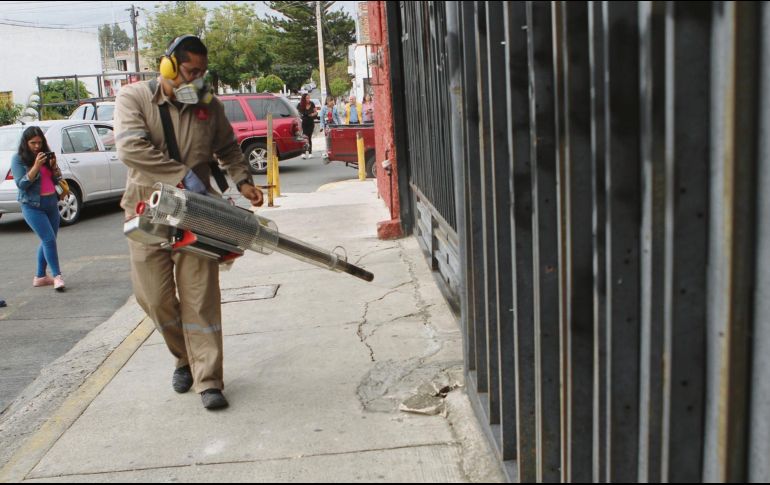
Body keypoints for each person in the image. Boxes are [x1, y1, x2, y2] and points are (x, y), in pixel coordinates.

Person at [114, 34, 264, 410]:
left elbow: (228, 145)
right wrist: (182, 175)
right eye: (189, 70)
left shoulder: (207, 102)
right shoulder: (133, 98)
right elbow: (131, 148)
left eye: (201, 72)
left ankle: (208, 379)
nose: (195, 79)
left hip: (197, 212)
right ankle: (184, 357)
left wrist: (243, 179)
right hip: (147, 211)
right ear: (168, 65)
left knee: (200, 298)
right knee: (155, 298)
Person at [11, 126, 66, 292]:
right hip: (32, 206)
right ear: (25, 143)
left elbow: (56, 179)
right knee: (49, 240)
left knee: (48, 240)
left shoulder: (45, 156)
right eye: (33, 143)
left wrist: (54, 167)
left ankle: (40, 277)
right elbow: (22, 184)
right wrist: (35, 166)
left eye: (39, 143)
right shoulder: (19, 159)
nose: (36, 146)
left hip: (51, 203)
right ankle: (57, 276)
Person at [319, 97, 341, 161]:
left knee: (335, 138)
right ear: (328, 102)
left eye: (333, 101)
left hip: (334, 125)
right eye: (332, 101)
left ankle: (335, 151)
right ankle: (328, 152)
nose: (333, 102)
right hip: (327, 125)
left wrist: (340, 125)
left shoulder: (335, 108)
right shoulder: (323, 108)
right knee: (328, 138)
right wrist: (321, 127)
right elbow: (321, 118)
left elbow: (337, 117)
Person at [296, 93, 317, 159]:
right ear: (304, 99)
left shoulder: (312, 103)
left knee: (309, 137)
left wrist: (312, 115)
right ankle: (303, 152)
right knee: (305, 137)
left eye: (309, 98)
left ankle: (310, 152)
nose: (308, 99)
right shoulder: (300, 105)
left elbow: (316, 112)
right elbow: (298, 114)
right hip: (304, 122)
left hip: (310, 122)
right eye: (307, 98)